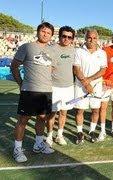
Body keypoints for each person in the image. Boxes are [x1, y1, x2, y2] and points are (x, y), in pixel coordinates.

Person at [10, 22, 56, 163]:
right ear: (38, 32)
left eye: (48, 33)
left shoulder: (52, 51)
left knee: (42, 118)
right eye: (43, 31)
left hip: (46, 91)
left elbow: (52, 69)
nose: (45, 34)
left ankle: (38, 144)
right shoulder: (27, 47)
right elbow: (14, 66)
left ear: (51, 35)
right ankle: (17, 149)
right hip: (29, 90)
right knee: (23, 120)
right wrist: (20, 83)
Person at [73, 29, 107, 144]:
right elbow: (76, 69)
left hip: (96, 87)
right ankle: (79, 132)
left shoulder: (102, 53)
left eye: (94, 38)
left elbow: (103, 70)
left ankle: (92, 131)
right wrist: (85, 83)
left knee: (95, 110)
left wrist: (89, 81)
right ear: (85, 38)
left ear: (97, 39)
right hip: (80, 85)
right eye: (89, 38)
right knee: (80, 111)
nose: (92, 40)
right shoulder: (78, 51)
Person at [46, 26, 76, 146]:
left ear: (72, 39)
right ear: (59, 36)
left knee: (64, 113)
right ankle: (49, 136)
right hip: (54, 86)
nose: (66, 39)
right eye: (64, 36)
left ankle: (59, 135)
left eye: (69, 37)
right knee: (52, 113)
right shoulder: (51, 48)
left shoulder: (74, 50)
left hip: (68, 87)